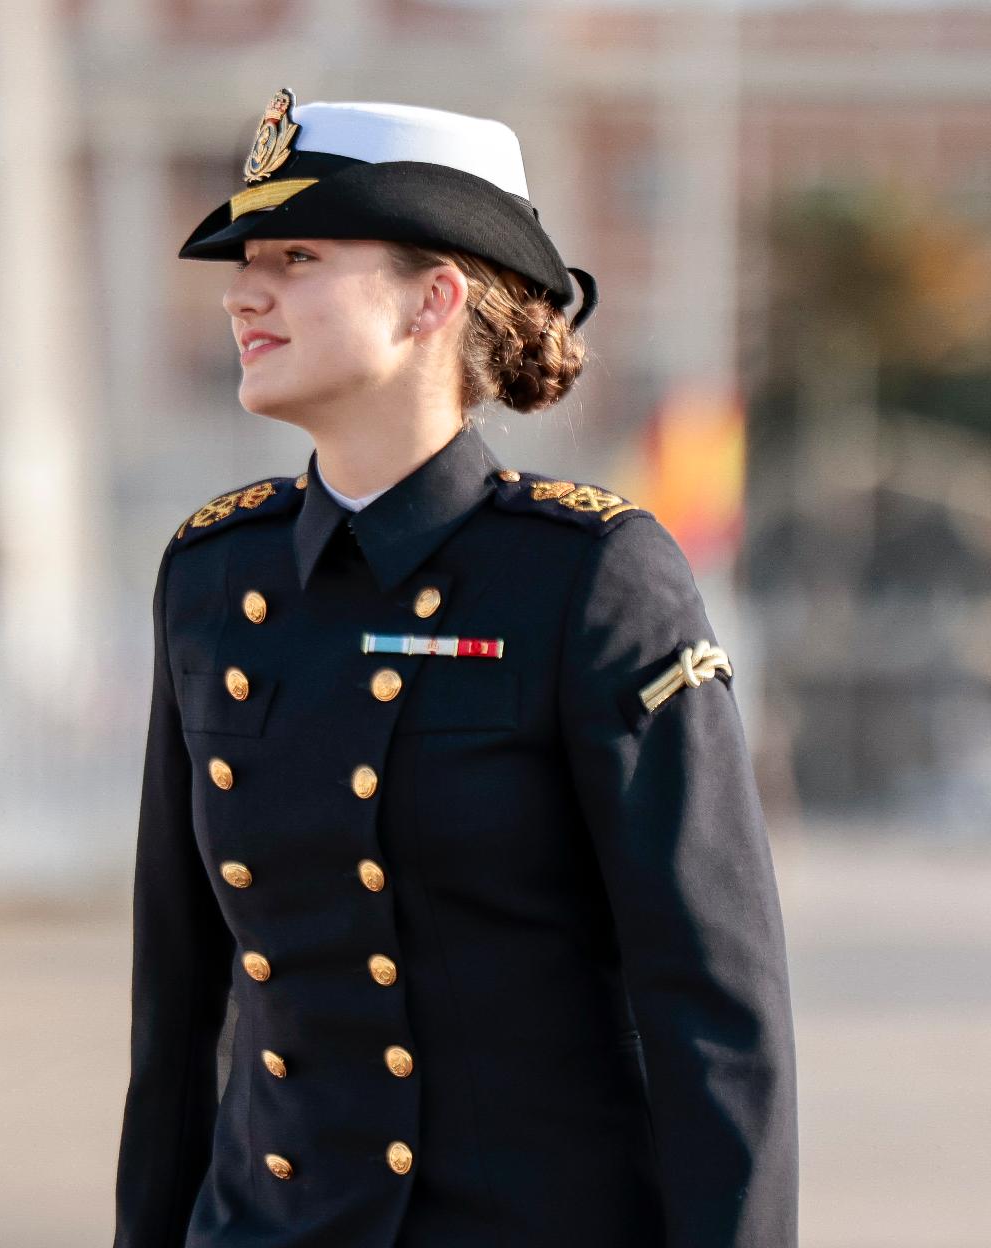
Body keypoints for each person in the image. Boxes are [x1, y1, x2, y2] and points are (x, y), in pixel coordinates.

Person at [111, 88, 799, 1248]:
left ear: (433, 298)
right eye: (244, 261)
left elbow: (714, 1015)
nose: (242, 291)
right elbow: (177, 1005)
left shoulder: (593, 581)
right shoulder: (213, 578)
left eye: (297, 256)